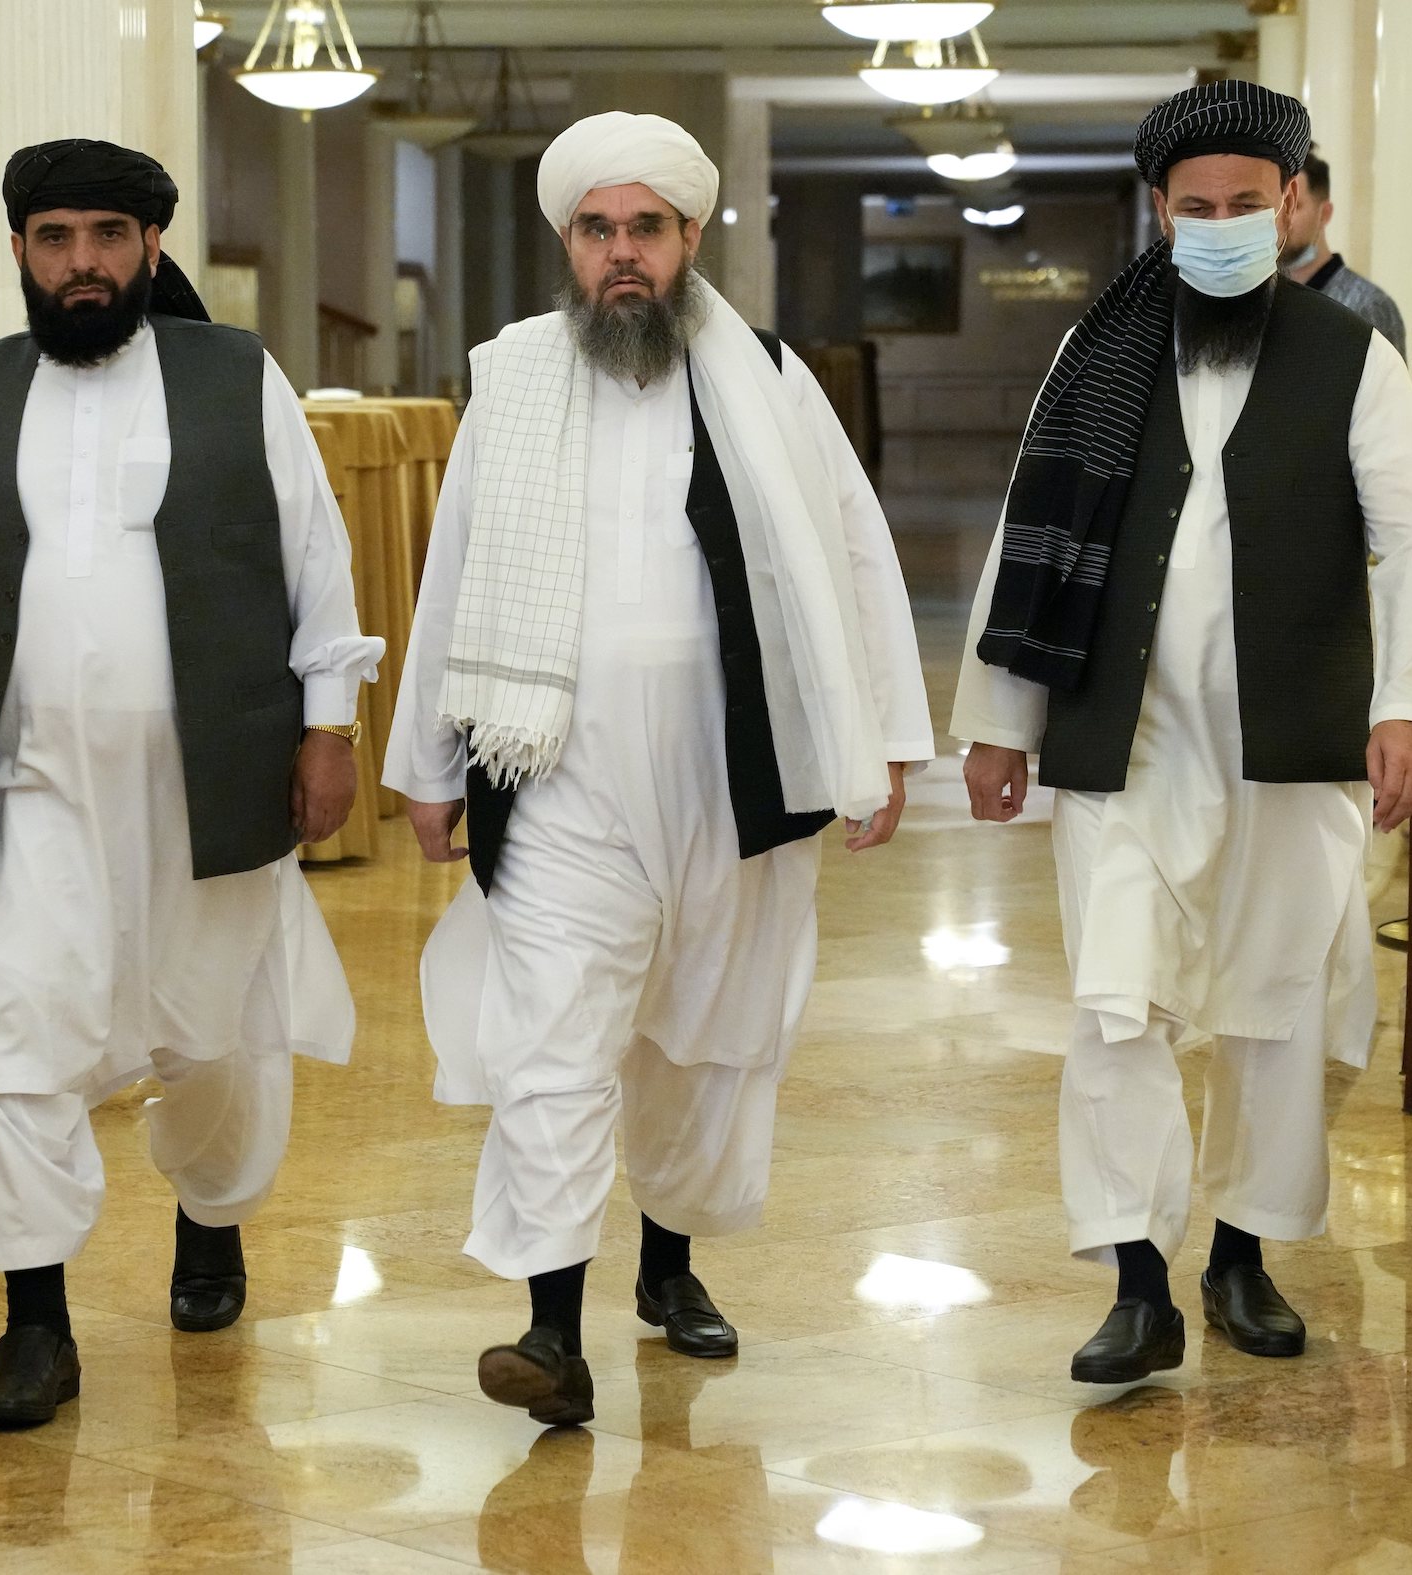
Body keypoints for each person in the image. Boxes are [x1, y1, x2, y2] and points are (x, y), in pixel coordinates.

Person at [385, 112, 932, 1428]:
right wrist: (426, 761)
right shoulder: (512, 379)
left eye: (645, 228)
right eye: (596, 229)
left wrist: (882, 744)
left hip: (732, 772)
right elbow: (452, 569)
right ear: (566, 243)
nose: (620, 253)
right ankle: (547, 1330)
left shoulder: (771, 378)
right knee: (556, 1044)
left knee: (697, 1037)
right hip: (555, 773)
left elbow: (852, 555)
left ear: (690, 237)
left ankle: (669, 1262)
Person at [953, 81, 1412, 1386]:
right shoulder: (1094, 354)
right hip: (1119, 742)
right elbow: (1029, 535)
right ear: (1160, 211)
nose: (1224, 224)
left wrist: (1407, 706)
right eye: (1199, 208)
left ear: (1291, 202)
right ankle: (1136, 1283)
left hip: (1290, 744)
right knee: (1114, 1006)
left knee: (1276, 1006)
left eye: (1248, 203)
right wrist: (997, 722)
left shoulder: (1352, 357)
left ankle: (1240, 1254)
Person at [0, 138, 380, 1430]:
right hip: (30, 781)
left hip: (206, 776)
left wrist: (327, 728)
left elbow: (315, 560)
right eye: (55, 239)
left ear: (150, 245)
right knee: (15, 1037)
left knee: (211, 1033)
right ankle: (34, 1322)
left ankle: (210, 1217)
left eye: (108, 236)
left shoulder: (235, 374)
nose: (83, 263)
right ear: (19, 251)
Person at [1280, 147, 1406, 357]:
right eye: (1278, 206)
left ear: (1324, 214)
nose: (1282, 219)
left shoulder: (1368, 306)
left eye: (1295, 206)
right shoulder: (1266, 299)